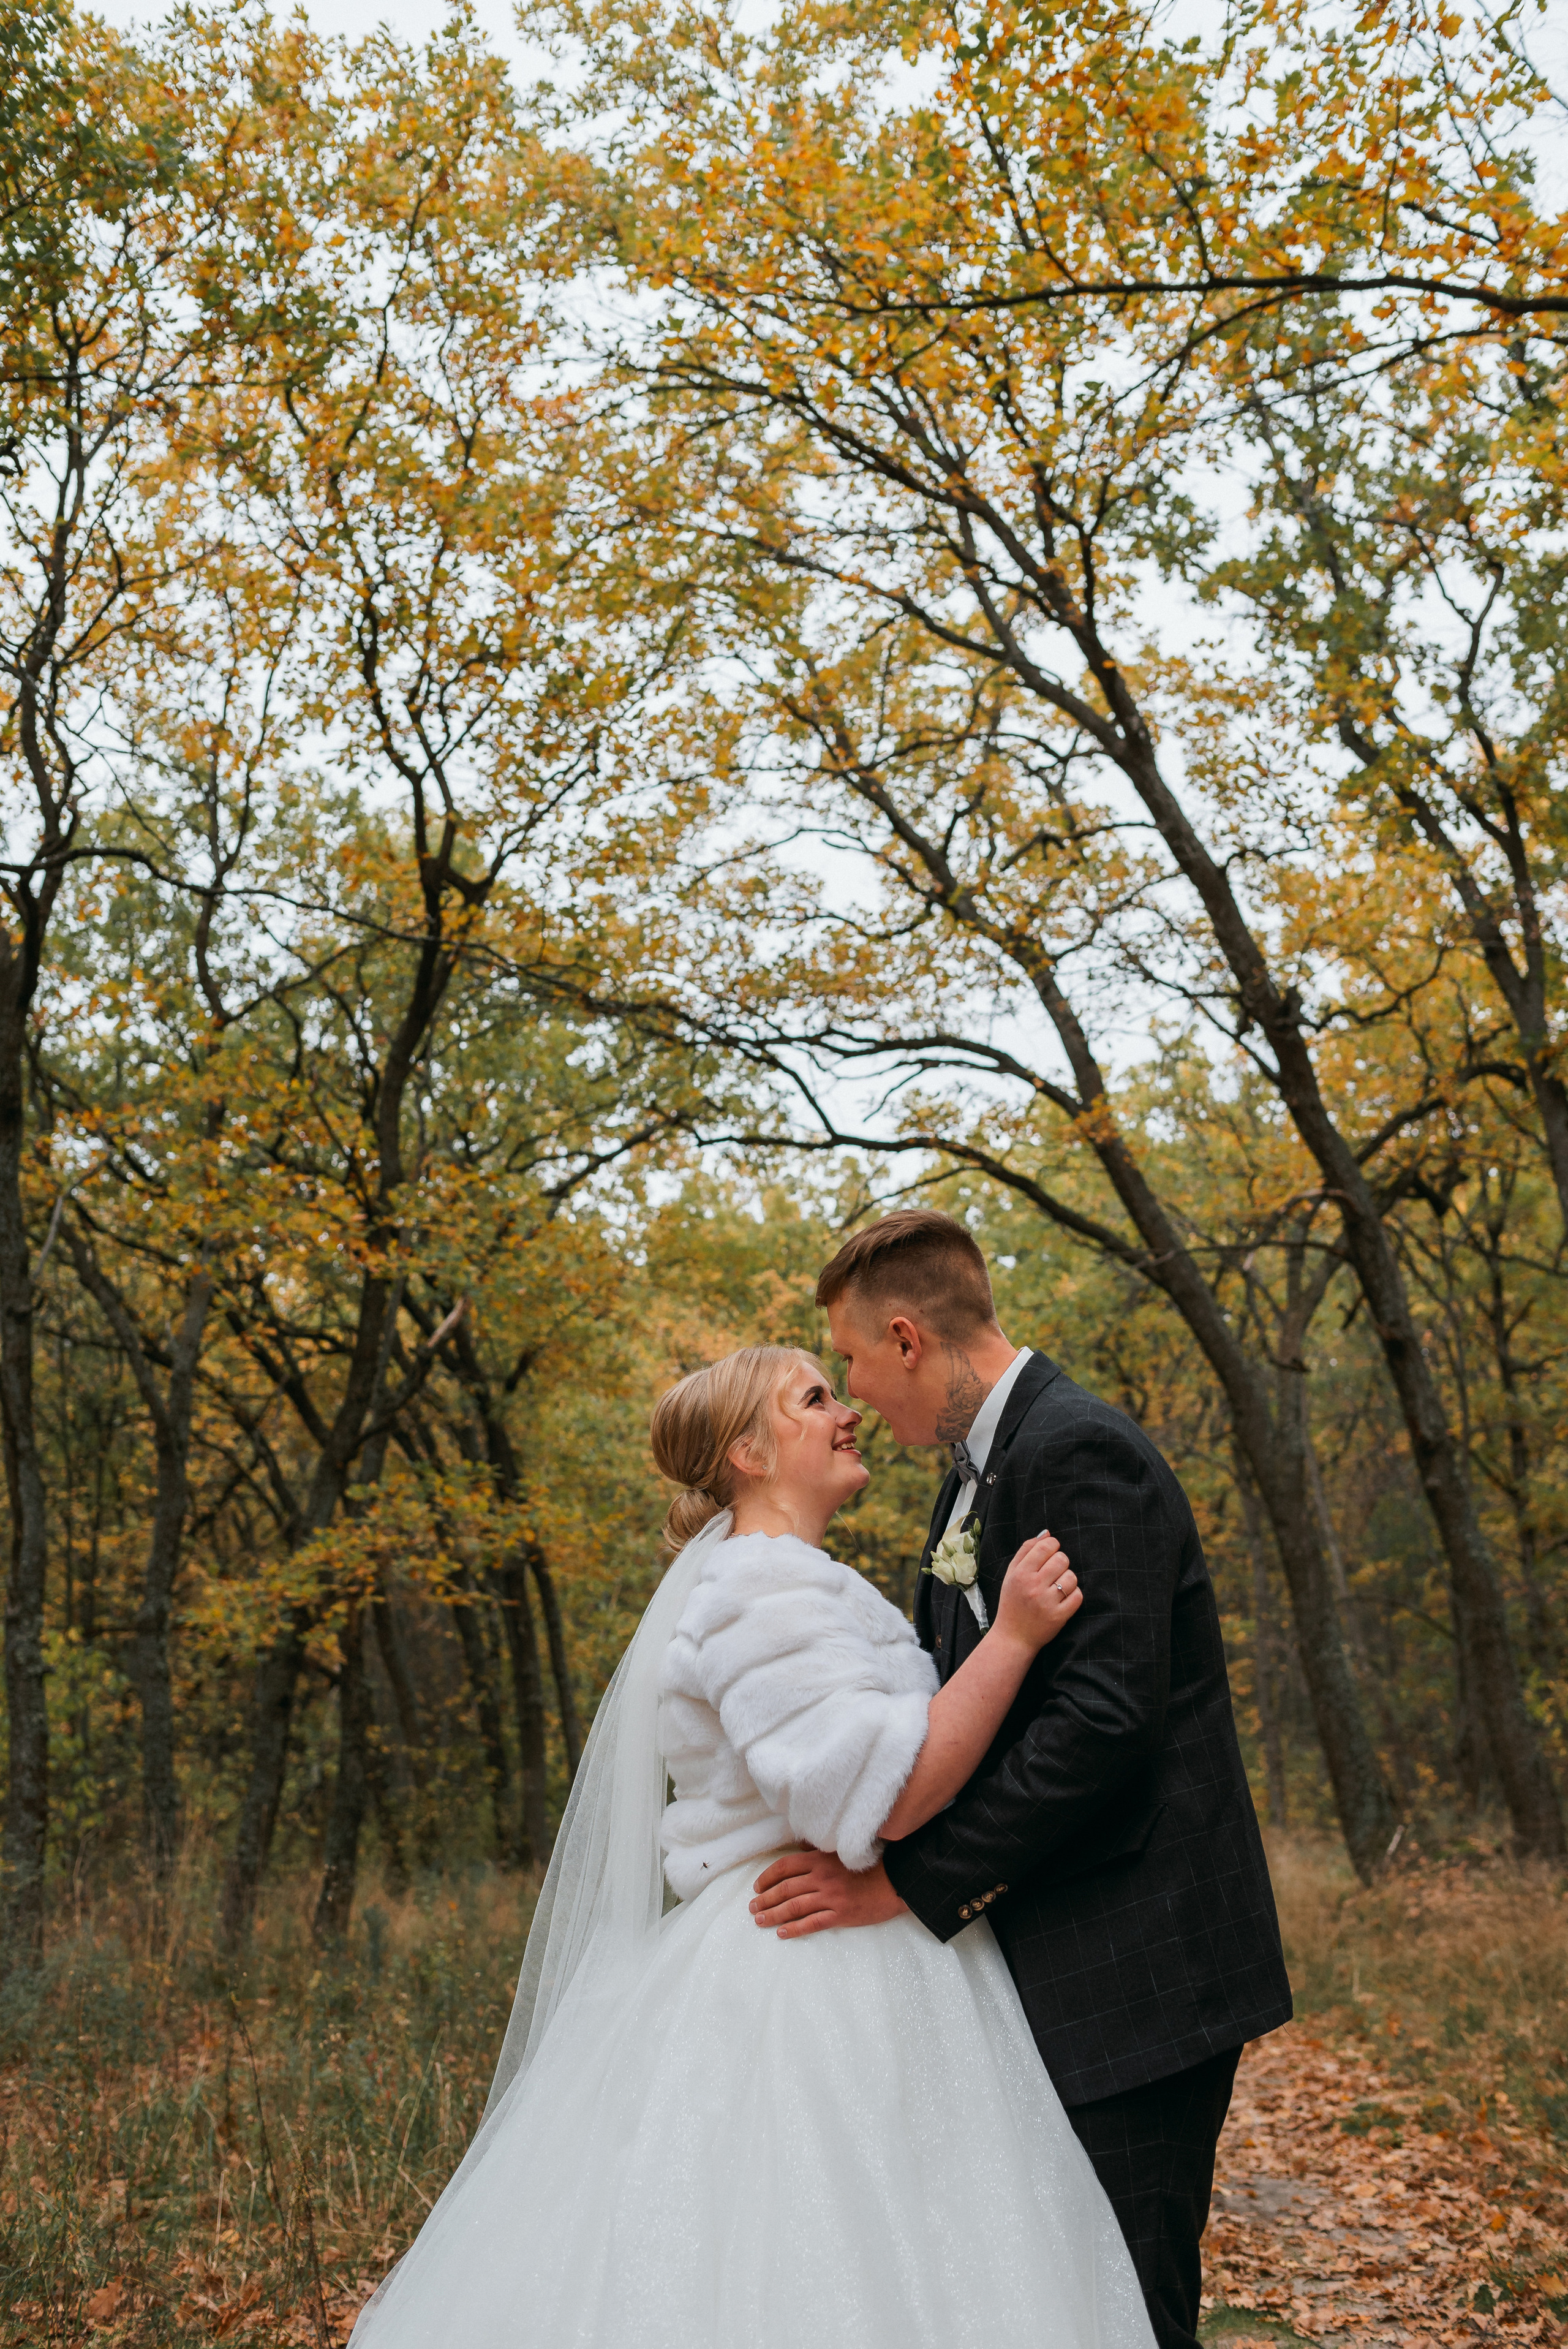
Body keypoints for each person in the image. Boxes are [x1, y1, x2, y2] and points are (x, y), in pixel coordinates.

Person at [349, 1343, 1157, 2349]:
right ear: (748, 1450)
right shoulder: (759, 1594)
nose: (846, 1409)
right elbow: (890, 1795)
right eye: (815, 1398)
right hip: (804, 1971)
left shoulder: (807, 1583)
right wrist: (1015, 1639)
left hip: (873, 1948)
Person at [751, 1210, 1294, 2349]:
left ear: (907, 1338)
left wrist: (906, 1883)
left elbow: (1102, 1728)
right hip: (1053, 1963)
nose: (849, 1392)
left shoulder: (1074, 1450)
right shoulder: (971, 1476)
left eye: (848, 1358)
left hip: (1137, 1971)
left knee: (1127, 2312)